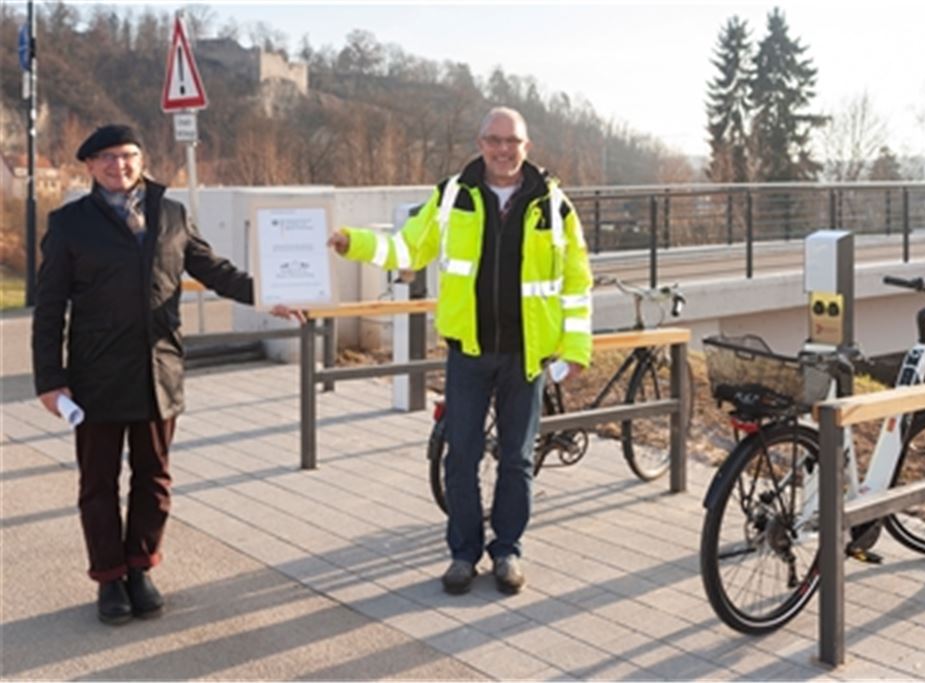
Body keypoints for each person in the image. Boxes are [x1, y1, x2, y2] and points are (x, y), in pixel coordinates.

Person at [32, 124, 301, 624]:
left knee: (154, 477)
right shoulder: (70, 224)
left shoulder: (171, 214)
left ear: (143, 159)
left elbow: (216, 271)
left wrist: (269, 295)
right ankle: (109, 579)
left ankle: (140, 567)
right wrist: (50, 380)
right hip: (95, 375)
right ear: (89, 166)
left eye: (129, 156)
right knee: (98, 482)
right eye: (108, 158)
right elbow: (49, 308)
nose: (120, 166)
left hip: (158, 369)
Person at [329, 107, 593, 595]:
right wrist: (356, 244)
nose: (502, 149)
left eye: (511, 141)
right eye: (493, 140)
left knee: (515, 458)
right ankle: (463, 554)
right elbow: (410, 250)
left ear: (526, 146)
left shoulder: (554, 205)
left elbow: (576, 282)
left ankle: (508, 550)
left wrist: (575, 346)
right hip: (469, 352)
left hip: (526, 354)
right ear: (480, 143)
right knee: (461, 456)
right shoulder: (453, 196)